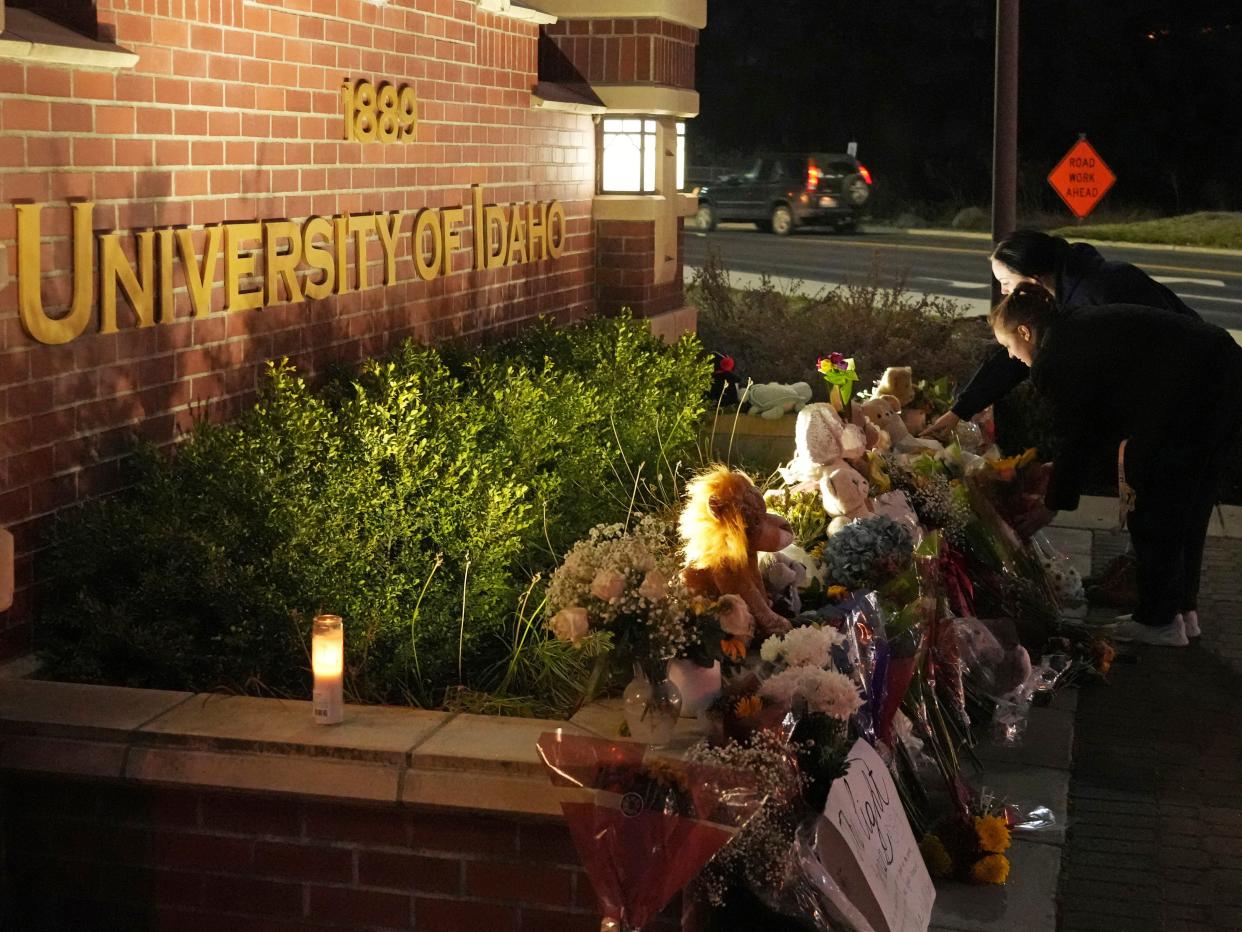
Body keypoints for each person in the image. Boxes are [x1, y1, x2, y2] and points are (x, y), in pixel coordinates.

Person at [923, 230, 1202, 608]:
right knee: (1164, 496)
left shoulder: (1094, 297)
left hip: (1191, 394)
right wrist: (960, 409)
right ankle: (1166, 601)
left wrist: (1056, 498)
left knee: (1167, 497)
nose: (1006, 294)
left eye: (1006, 283)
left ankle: (1163, 606)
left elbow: (1088, 417)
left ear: (1033, 278)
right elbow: (1014, 354)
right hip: (1187, 391)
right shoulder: (1067, 296)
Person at [988, 283, 1242, 646]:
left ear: (1025, 332)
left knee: (1155, 504)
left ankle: (1159, 622)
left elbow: (1078, 433)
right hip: (1224, 373)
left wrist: (1052, 503)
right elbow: (1098, 421)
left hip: (1189, 398)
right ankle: (1182, 612)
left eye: (1009, 346)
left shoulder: (1054, 358)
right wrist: (1060, 472)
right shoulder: (1074, 325)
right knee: (1190, 505)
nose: (1012, 357)